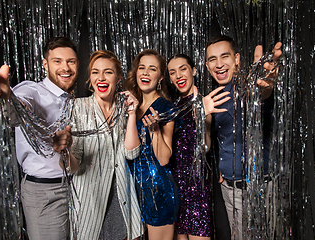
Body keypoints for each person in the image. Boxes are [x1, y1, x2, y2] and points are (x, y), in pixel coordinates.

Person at [0, 36, 79, 240]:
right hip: (45, 192)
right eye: (57, 61)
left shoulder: (75, 100)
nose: (65, 68)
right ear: (45, 64)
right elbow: (16, 108)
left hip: (79, 187)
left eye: (71, 61)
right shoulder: (31, 91)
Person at [52, 50, 143, 239]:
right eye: (95, 72)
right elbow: (73, 166)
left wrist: (133, 114)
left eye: (108, 72)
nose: (101, 77)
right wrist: (65, 151)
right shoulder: (77, 107)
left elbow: (132, 153)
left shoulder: (123, 108)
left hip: (120, 197)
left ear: (118, 78)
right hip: (90, 201)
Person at [203, 35, 282, 240]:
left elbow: (262, 95)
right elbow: (216, 140)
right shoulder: (213, 97)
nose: (219, 64)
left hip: (256, 188)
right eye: (212, 59)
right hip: (229, 188)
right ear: (206, 65)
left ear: (237, 59)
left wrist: (268, 84)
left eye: (225, 56)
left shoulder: (249, 87)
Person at [166, 53, 230, 240]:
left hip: (196, 187)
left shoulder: (205, 102)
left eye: (183, 69)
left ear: (193, 70)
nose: (178, 75)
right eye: (172, 72)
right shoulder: (173, 106)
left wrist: (201, 116)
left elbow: (206, 147)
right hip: (176, 186)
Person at [124, 49, 179, 240]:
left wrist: (154, 130)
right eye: (142, 68)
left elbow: (164, 159)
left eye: (152, 69)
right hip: (128, 190)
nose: (145, 73)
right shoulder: (126, 104)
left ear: (161, 76)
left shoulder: (166, 108)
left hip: (157, 191)